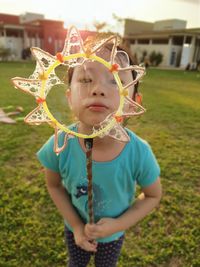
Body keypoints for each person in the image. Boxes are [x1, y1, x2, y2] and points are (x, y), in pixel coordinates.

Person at [37, 35, 162, 267]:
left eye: (115, 81)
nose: (98, 89)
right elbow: (53, 184)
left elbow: (153, 195)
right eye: (85, 79)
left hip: (112, 236)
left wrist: (118, 225)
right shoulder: (60, 144)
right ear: (69, 97)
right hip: (75, 230)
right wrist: (76, 225)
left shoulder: (139, 153)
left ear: (134, 101)